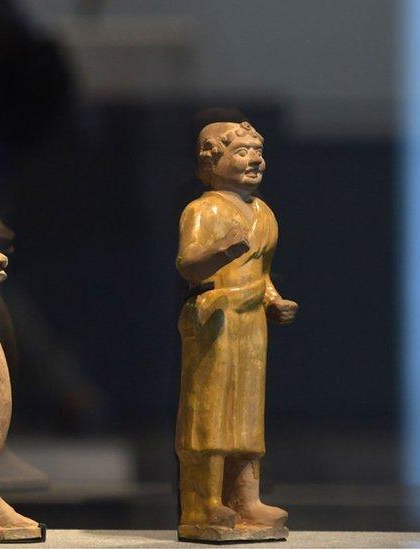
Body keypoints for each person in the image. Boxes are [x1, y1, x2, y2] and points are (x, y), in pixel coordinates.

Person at [174, 121, 297, 537]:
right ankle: (205, 503)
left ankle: (246, 500)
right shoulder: (203, 210)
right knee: (209, 413)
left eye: (257, 151)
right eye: (242, 152)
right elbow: (188, 266)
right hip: (215, 320)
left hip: (250, 324)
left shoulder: (263, 212)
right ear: (212, 160)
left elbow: (261, 273)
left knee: (247, 414)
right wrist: (222, 250)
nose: (255, 160)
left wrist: (273, 300)